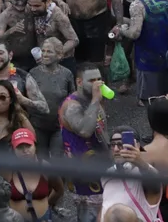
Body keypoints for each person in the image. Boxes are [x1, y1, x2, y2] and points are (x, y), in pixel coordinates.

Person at [115, 0, 168, 104]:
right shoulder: (167, 0)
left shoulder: (137, 5)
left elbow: (134, 33)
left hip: (146, 55)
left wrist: (123, 30)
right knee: (164, 90)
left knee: (148, 98)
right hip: (165, 50)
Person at [58, 64, 107, 222]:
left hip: (101, 167)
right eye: (92, 80)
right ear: (79, 82)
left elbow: (102, 130)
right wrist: (95, 101)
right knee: (89, 216)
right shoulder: (72, 106)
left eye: (99, 79)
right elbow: (85, 131)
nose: (97, 84)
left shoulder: (94, 100)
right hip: (84, 175)